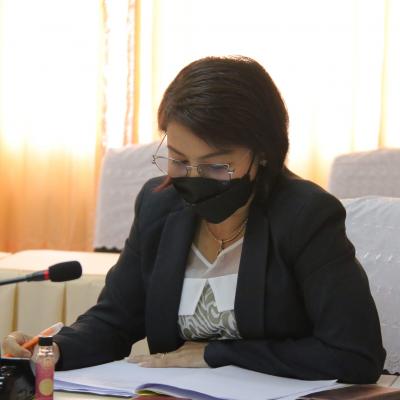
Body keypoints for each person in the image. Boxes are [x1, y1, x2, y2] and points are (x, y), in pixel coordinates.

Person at [2, 56, 385, 383]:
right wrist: (50, 349)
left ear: (263, 154)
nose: (194, 178)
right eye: (179, 160)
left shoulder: (306, 215)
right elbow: (115, 321)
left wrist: (216, 355)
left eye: (216, 166)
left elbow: (355, 355)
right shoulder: (158, 206)